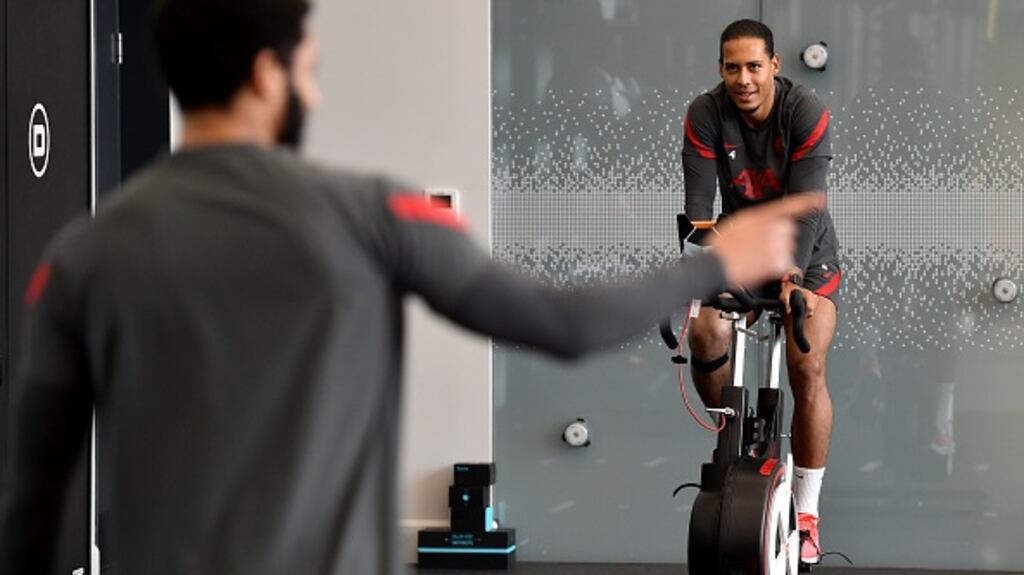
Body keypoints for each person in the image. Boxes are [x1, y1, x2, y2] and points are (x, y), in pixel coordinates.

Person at [0, 2, 823, 573]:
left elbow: (33, 497)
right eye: (308, 71)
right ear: (264, 75)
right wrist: (715, 262)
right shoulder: (372, 214)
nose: (315, 93)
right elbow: (566, 325)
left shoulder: (82, 253)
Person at [680, 18, 841, 565]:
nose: (743, 79)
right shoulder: (706, 114)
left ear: (774, 65)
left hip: (806, 248)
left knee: (806, 362)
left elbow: (808, 206)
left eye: (754, 66)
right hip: (743, 244)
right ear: (721, 69)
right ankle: (730, 440)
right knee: (705, 332)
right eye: (732, 68)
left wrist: (793, 276)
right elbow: (699, 215)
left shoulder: (804, 111)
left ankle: (807, 512)